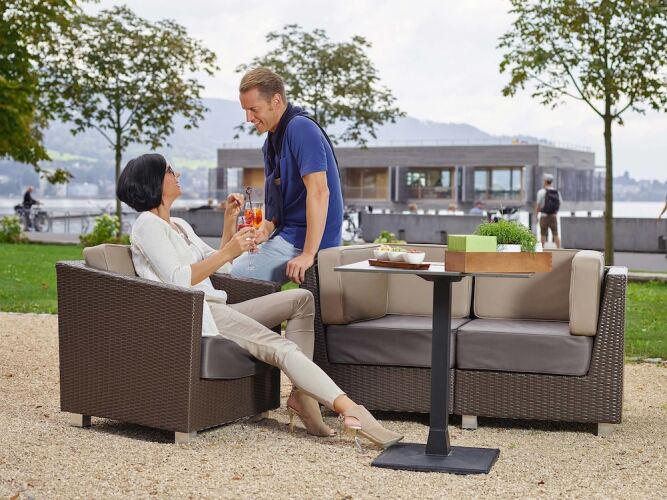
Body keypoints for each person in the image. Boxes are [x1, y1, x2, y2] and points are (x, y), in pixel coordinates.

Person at [116, 153, 402, 448]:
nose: (177, 175)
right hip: (196, 313)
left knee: (301, 299)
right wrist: (228, 251)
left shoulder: (179, 224)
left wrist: (229, 223)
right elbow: (178, 278)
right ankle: (352, 411)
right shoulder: (147, 225)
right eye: (169, 171)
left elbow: (222, 266)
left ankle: (303, 397)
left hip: (217, 308)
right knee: (281, 347)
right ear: (153, 181)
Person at [231, 68, 344, 285]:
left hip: (306, 242)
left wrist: (309, 254)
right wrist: (267, 228)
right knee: (229, 265)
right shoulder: (271, 143)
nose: (249, 118)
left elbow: (320, 192)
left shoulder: (301, 128)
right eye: (245, 110)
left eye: (253, 109)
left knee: (232, 274)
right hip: (288, 236)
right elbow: (283, 203)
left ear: (276, 100)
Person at [535, 173, 563, 248]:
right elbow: (560, 203)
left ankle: (542, 250)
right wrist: (556, 212)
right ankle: (559, 249)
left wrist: (537, 216)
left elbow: (538, 205)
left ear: (545, 181)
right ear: (551, 181)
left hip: (544, 216)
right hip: (553, 216)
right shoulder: (556, 192)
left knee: (542, 234)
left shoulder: (541, 192)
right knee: (556, 234)